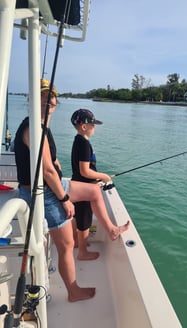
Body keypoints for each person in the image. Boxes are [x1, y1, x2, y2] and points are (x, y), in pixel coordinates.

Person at [14, 79, 130, 302]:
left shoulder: (41, 127)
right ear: (33, 100)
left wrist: (55, 161)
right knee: (66, 244)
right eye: (44, 97)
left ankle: (112, 230)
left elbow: (48, 162)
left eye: (52, 97)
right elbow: (46, 171)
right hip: (44, 193)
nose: (50, 101)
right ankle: (73, 291)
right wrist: (65, 198)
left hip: (51, 185)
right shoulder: (34, 128)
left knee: (95, 192)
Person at [71, 109, 111, 261]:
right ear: (84, 126)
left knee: (78, 217)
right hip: (84, 189)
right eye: (93, 125)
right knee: (84, 221)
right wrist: (103, 176)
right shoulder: (84, 145)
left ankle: (76, 243)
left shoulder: (78, 141)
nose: (94, 127)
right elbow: (85, 171)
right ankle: (82, 252)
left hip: (77, 184)